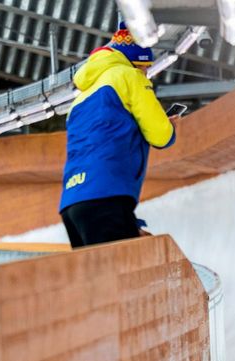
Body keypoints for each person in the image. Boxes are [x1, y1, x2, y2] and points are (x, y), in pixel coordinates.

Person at [59, 22, 177, 248]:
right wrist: (170, 127)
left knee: (100, 279)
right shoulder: (128, 76)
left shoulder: (79, 100)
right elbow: (161, 135)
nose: (146, 74)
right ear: (136, 61)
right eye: (145, 67)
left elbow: (103, 144)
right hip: (107, 197)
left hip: (73, 203)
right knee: (123, 278)